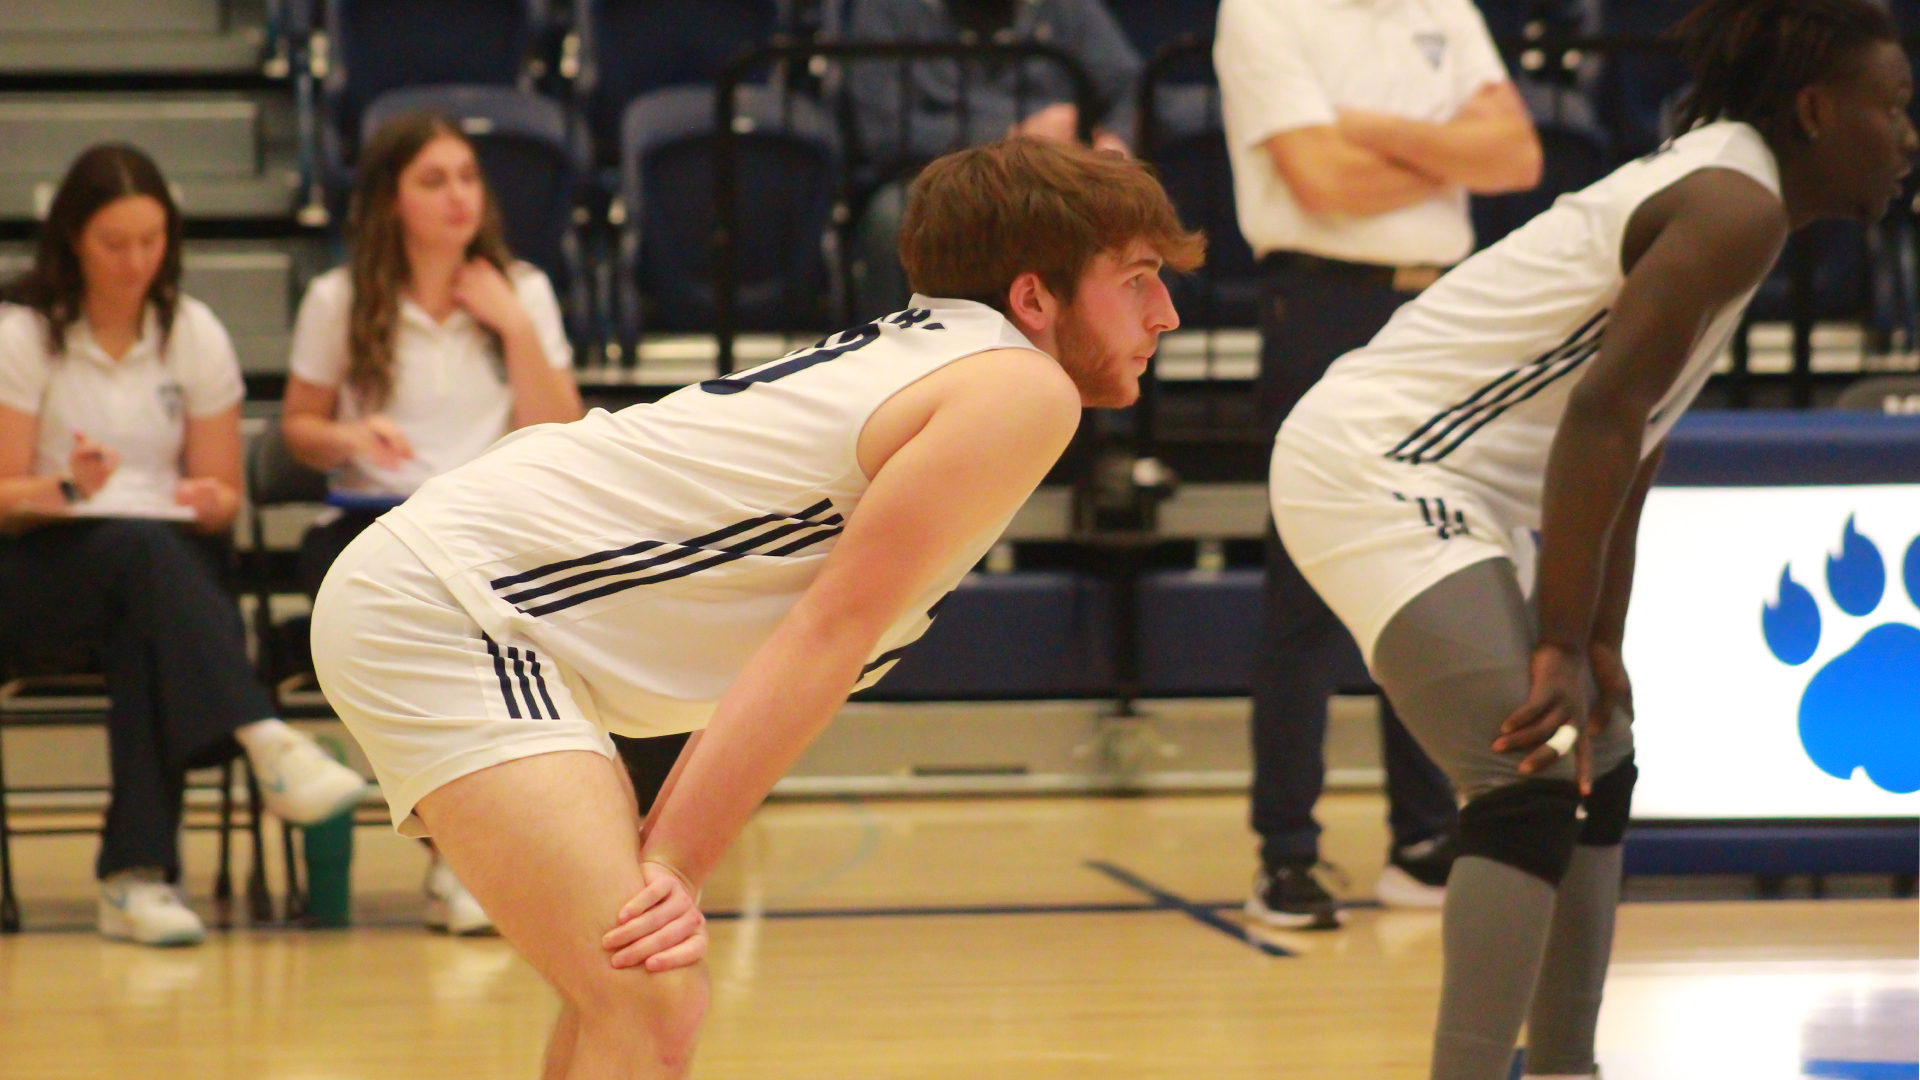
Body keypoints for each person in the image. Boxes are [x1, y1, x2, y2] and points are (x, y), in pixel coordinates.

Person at [311, 137, 1199, 1078]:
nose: (1169, 313)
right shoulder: (1021, 387)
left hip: (479, 606)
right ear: (1033, 299)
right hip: (455, 609)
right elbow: (827, 631)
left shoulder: (946, 359)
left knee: (623, 994)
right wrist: (678, 864)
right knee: (650, 989)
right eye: (1138, 279)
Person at [1268, 2, 1914, 1077]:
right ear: (1815, 109)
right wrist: (1558, 641)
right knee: (1525, 763)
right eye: (1894, 108)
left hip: (1453, 479)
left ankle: (1570, 1067)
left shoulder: (1739, 192)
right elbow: (1603, 417)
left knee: (1596, 757)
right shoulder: (1734, 203)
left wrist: (1599, 639)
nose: (1908, 135)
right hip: (1377, 463)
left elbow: (1638, 439)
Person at [1215, 0, 1543, 927]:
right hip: (1320, 304)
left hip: (1443, 313)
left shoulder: (1446, 5)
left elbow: (1516, 156)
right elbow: (1318, 180)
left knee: (1443, 566)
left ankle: (1425, 840)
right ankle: (1286, 852)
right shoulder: (1261, 12)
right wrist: (1444, 147)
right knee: (1308, 594)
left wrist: (1371, 133)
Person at [0, 143, 370, 946]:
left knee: (149, 612)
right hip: (32, 576)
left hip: (147, 581)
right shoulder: (24, 333)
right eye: (114, 243)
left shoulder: (193, 332)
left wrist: (211, 499)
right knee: (141, 561)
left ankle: (137, 880)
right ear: (71, 242)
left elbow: (220, 498)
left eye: (152, 240)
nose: (137, 261)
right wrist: (64, 488)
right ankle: (262, 736)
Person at [279, 113, 584, 935]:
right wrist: (348, 437)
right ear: (389, 201)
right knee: (428, 642)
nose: (458, 197)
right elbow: (299, 429)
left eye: (467, 178)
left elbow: (561, 429)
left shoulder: (522, 289)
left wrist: (515, 327)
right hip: (372, 529)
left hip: (489, 530)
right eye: (433, 180)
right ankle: (460, 862)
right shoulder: (338, 299)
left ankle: (481, 862)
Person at [845, 0, 1141, 318]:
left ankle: (1102, 364)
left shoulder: (1066, 9)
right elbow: (881, 131)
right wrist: (1012, 137)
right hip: (931, 179)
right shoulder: (885, 11)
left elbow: (1130, 87)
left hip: (1053, 178)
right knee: (893, 217)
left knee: (1130, 211)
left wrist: (1115, 139)